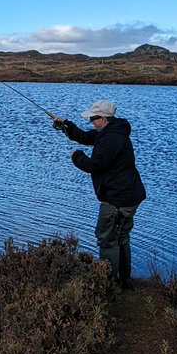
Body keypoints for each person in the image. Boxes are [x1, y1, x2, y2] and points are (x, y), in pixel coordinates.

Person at [53, 100, 146, 288]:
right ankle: (125, 282)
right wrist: (66, 126)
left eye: (93, 119)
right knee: (121, 238)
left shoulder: (110, 139)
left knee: (107, 239)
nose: (91, 122)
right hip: (130, 195)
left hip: (116, 199)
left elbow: (93, 165)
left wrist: (76, 156)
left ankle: (108, 283)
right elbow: (87, 137)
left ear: (103, 119)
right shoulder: (113, 131)